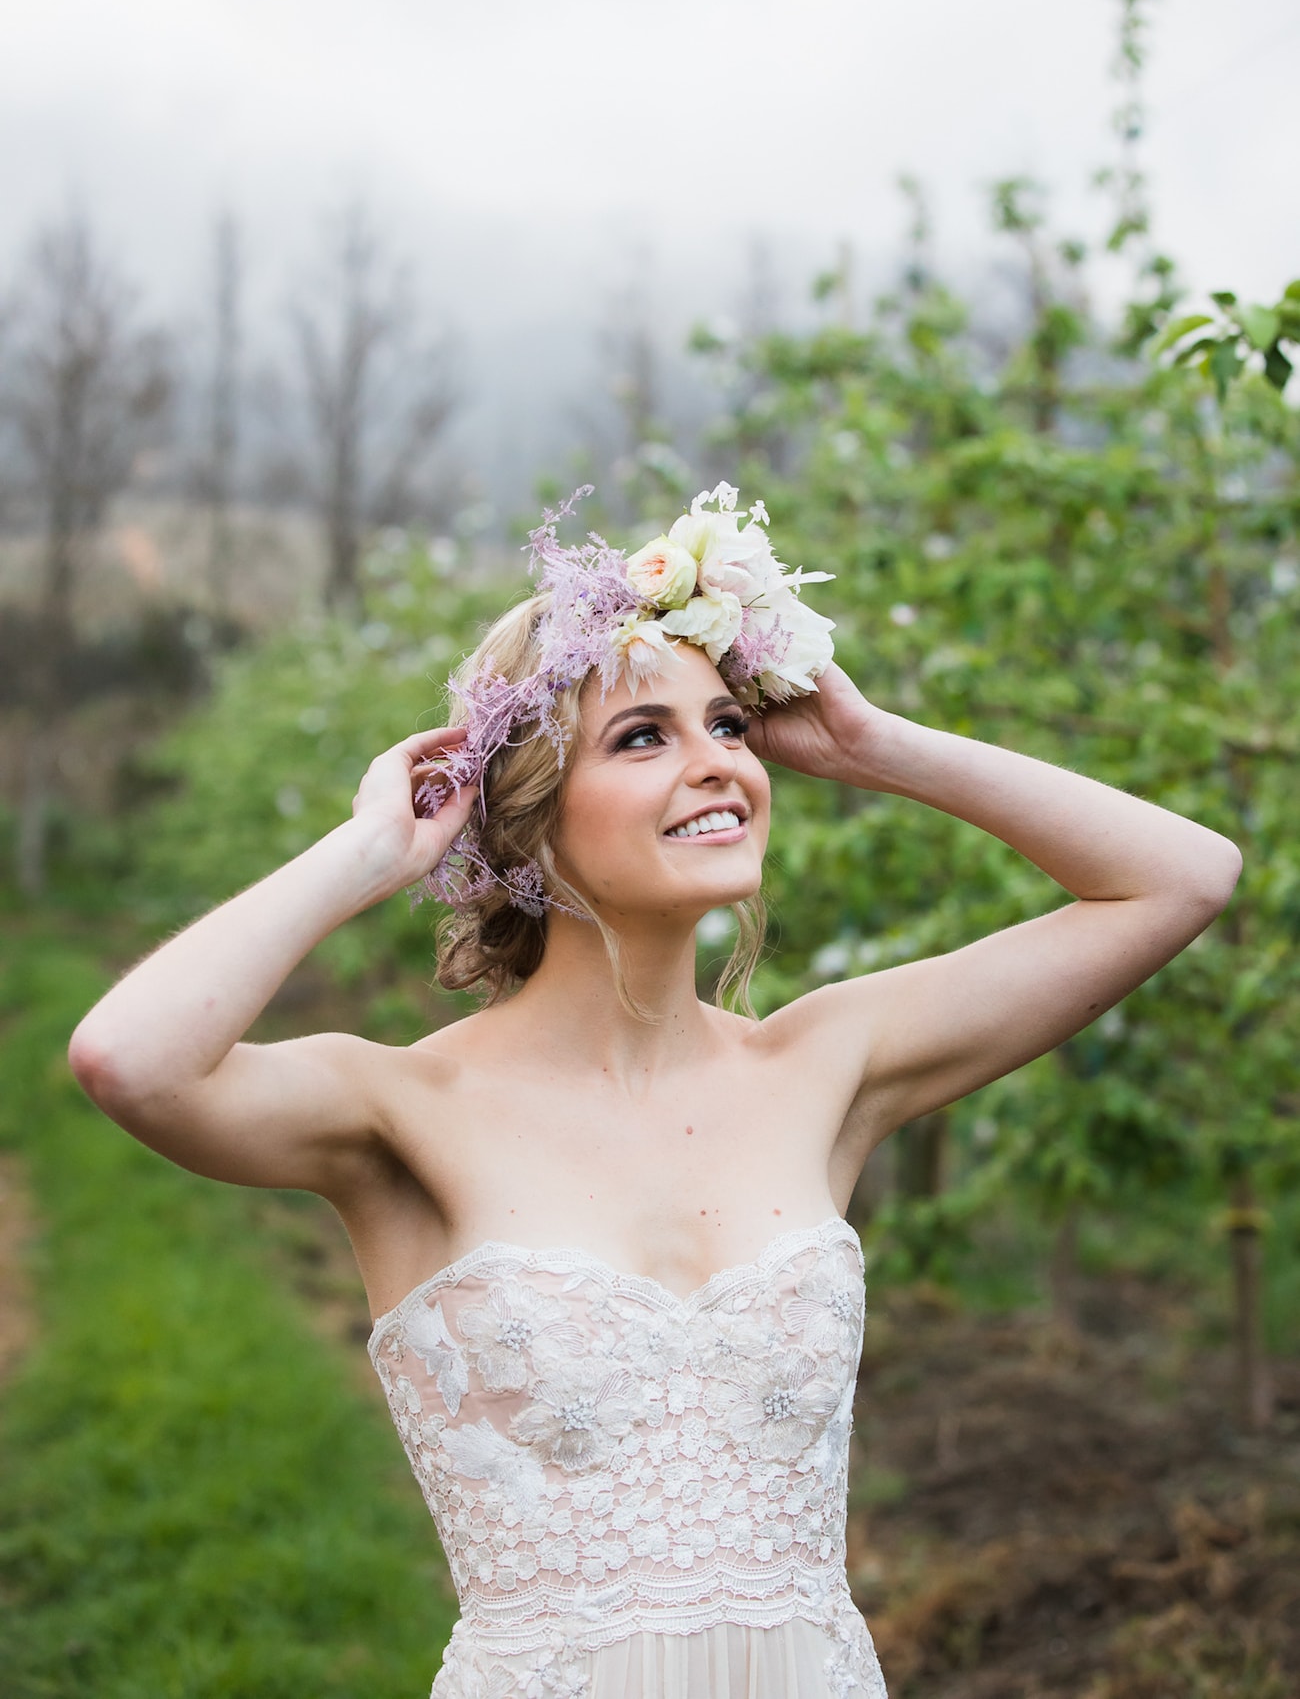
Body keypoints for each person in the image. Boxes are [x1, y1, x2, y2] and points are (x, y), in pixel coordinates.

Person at [68, 484, 1240, 1699]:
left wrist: (873, 746)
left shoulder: (822, 1067)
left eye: (729, 726)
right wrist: (369, 853)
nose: (717, 766)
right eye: (644, 737)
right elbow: (131, 1060)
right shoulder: (402, 1112)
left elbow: (1180, 880)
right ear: (526, 812)